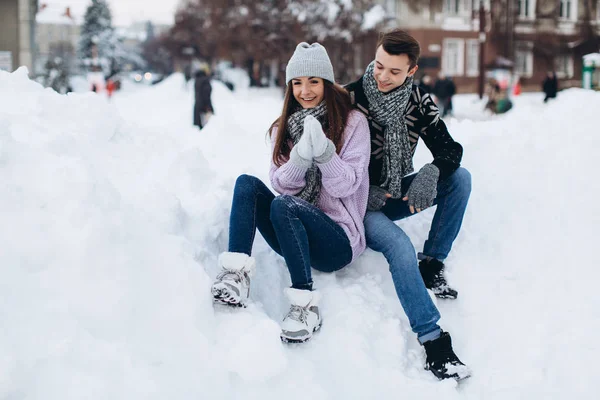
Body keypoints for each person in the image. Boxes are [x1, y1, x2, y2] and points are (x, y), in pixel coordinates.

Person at [210, 42, 371, 344]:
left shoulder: (353, 124)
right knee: (247, 184)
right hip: (294, 232)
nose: (305, 90)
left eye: (313, 81)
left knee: (285, 206)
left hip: (337, 241)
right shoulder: (281, 129)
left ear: (326, 82)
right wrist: (299, 158)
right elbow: (281, 184)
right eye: (297, 83)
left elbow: (347, 185)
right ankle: (235, 275)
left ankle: (304, 306)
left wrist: (324, 152)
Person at [345, 29, 471, 381]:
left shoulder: (419, 102)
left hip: (396, 194)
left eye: (394, 71)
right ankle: (433, 341)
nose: (383, 76)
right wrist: (360, 191)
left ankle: (432, 262)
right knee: (399, 246)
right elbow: (329, 164)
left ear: (411, 71)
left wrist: (433, 170)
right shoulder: (349, 98)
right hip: (358, 204)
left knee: (460, 179)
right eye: (379, 65)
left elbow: (451, 150)